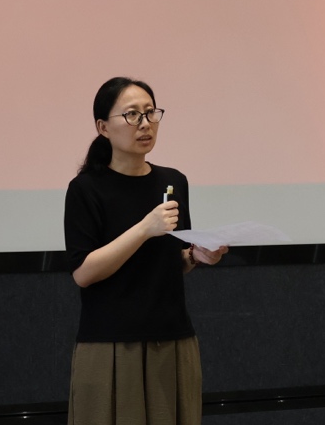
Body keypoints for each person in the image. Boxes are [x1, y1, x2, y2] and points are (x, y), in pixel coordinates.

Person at [63, 77, 228, 425]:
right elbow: (84, 272)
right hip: (111, 343)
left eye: (151, 113)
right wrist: (144, 228)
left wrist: (196, 256)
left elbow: (171, 259)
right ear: (103, 127)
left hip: (172, 338)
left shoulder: (173, 181)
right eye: (132, 115)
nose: (145, 123)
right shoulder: (86, 189)